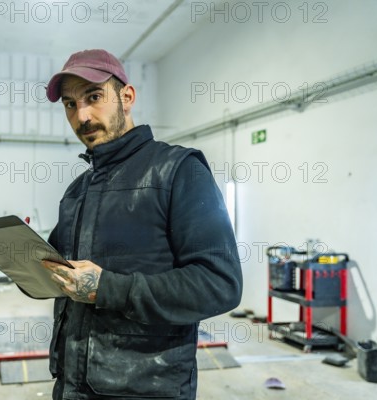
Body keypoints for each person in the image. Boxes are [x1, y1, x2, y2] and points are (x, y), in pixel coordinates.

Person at [41, 49, 243, 400]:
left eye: (93, 97)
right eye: (70, 105)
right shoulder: (77, 191)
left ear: (127, 97)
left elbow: (219, 283)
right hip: (72, 384)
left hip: (145, 388)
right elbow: (60, 271)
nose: (82, 116)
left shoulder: (179, 170)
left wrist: (108, 289)